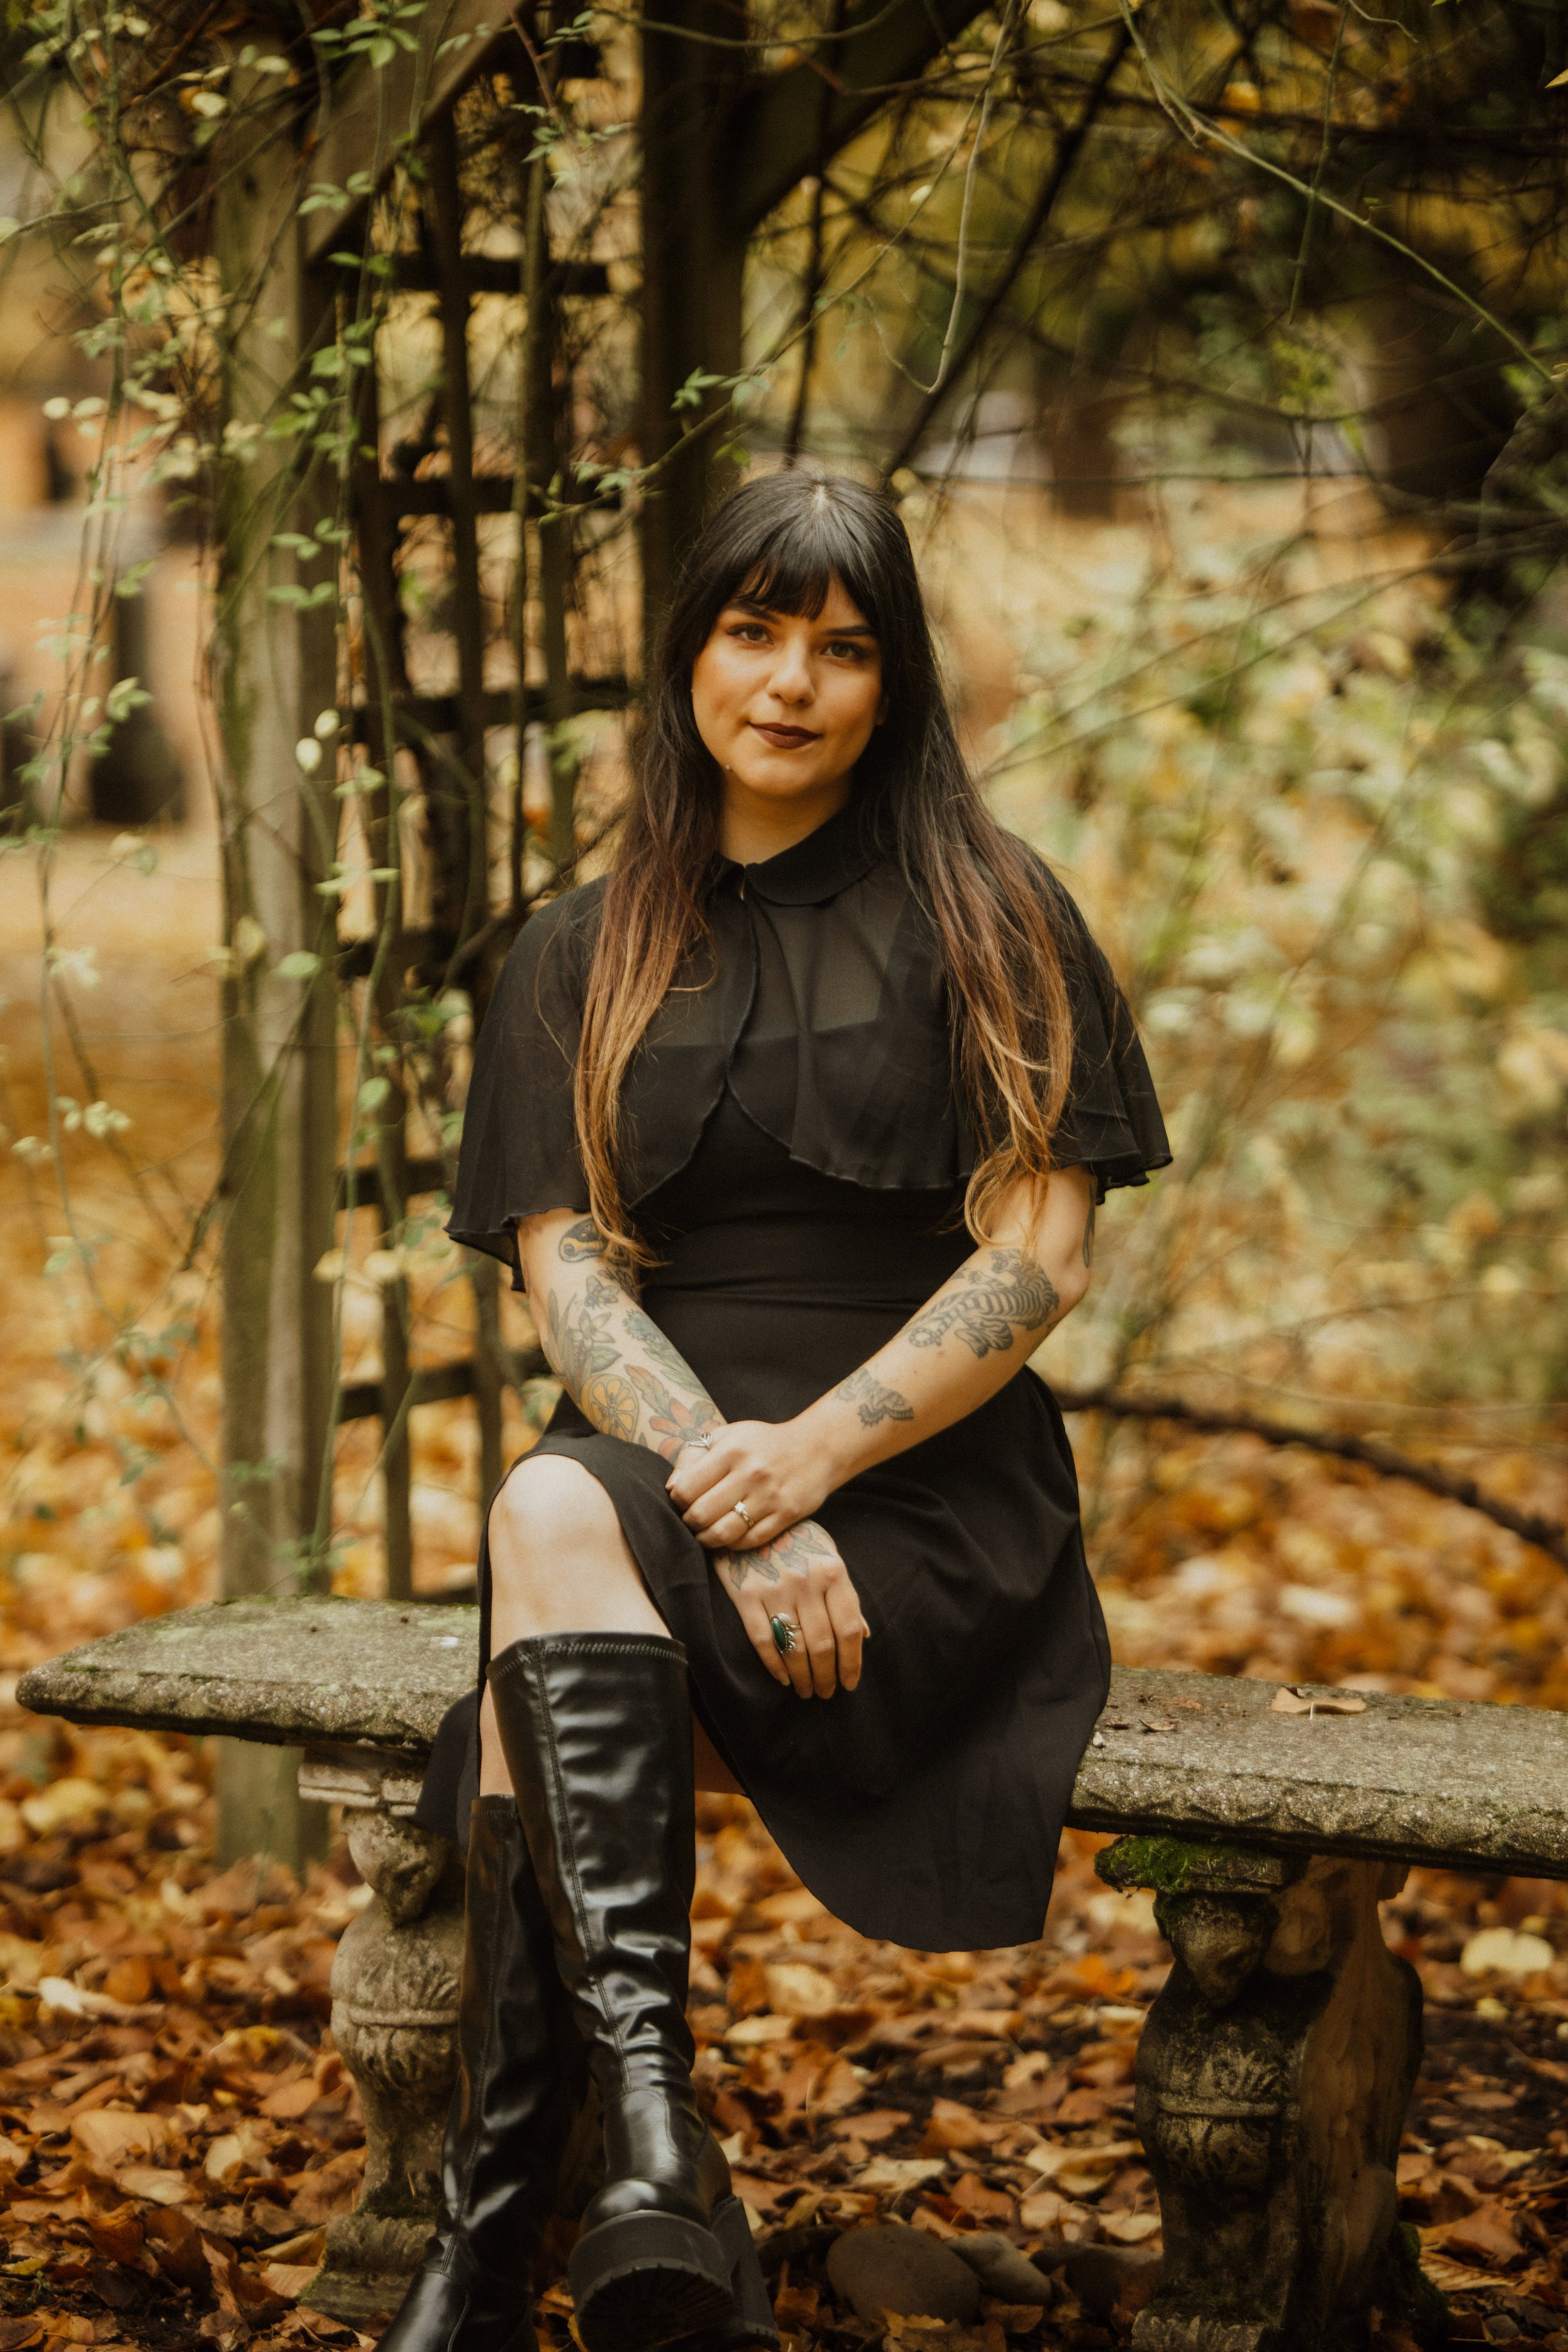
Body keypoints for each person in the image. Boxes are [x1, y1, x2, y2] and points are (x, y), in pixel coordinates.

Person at [387, 472, 1170, 2352]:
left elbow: (1041, 1257)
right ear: (686, 657)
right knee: (552, 1509)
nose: (792, 683)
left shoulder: (992, 914)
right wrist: (728, 1482)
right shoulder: (582, 952)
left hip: (920, 1487)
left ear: (891, 684)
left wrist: (811, 1458)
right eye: (752, 631)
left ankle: (503, 2232)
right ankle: (638, 2153)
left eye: (842, 646)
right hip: (666, 1467)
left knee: (534, 1576)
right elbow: (568, 1277)